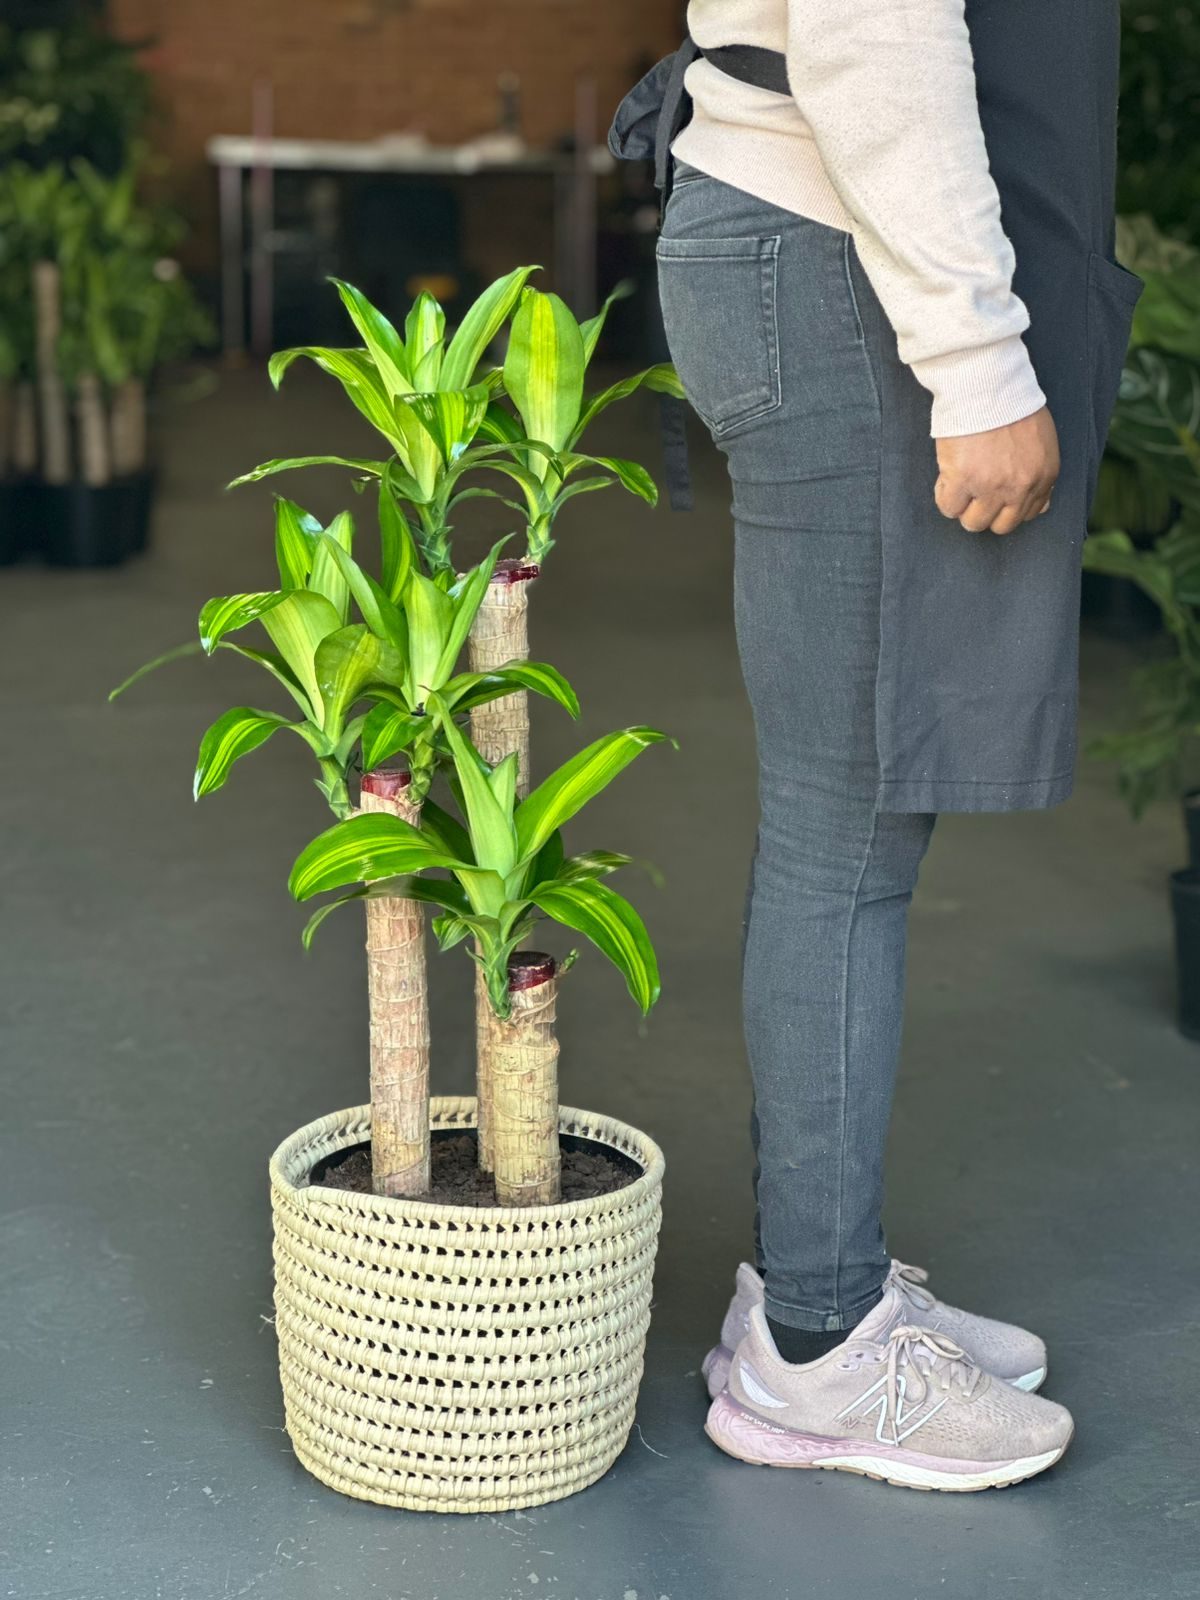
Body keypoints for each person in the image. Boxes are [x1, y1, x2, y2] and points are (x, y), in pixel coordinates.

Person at [611, 0, 1142, 1491]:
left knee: (852, 827)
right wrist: (977, 361)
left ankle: (805, 1288)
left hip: (819, 250)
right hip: (833, 259)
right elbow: (869, 26)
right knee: (845, 835)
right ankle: (820, 1350)